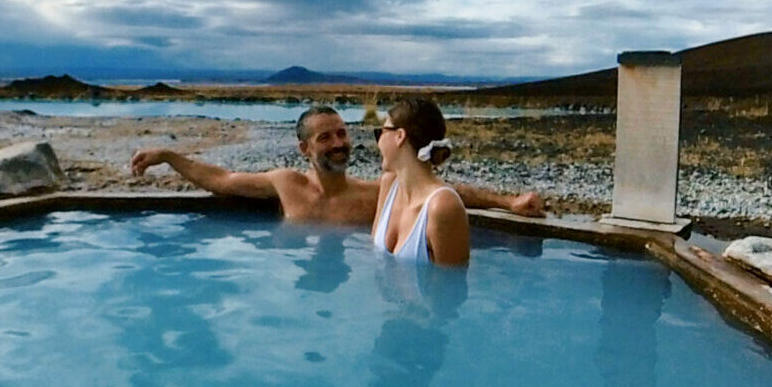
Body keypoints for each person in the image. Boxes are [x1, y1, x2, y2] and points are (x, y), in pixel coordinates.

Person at [130, 104, 545, 228]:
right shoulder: (285, 184)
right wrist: (168, 157)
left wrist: (509, 202)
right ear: (304, 148)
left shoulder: (373, 194)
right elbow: (220, 180)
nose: (339, 144)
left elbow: (439, 191)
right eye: (325, 137)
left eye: (343, 134)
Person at [372, 95, 469, 266]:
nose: (378, 142)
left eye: (381, 132)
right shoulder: (389, 185)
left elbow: (454, 286)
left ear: (399, 136)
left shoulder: (442, 206)